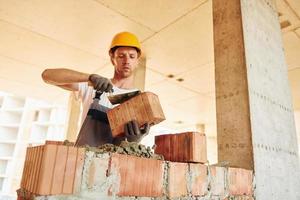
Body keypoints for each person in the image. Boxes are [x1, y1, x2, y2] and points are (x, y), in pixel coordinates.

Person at [42, 32, 150, 146]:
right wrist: (89, 77)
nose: (127, 61)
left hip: (115, 162)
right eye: (121, 56)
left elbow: (132, 147)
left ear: (137, 61)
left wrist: (135, 142)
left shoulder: (140, 100)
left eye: (132, 56)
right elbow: (47, 76)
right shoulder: (94, 86)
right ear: (112, 59)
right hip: (83, 159)